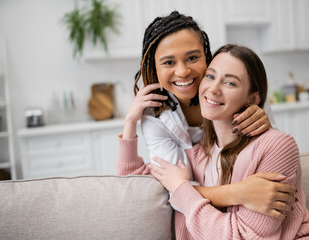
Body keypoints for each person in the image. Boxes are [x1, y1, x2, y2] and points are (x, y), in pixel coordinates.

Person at [148, 44, 309, 239]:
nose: (214, 89)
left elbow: (243, 236)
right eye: (210, 76)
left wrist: (184, 190)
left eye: (230, 83)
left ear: (253, 99)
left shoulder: (277, 145)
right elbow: (141, 182)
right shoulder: (199, 154)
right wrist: (130, 128)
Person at [122, 11, 295, 210]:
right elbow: (176, 191)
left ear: (206, 56)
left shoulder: (242, 93)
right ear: (154, 67)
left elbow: (269, 157)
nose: (182, 71)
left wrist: (266, 126)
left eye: (192, 58)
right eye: (169, 62)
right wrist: (240, 193)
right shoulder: (155, 114)